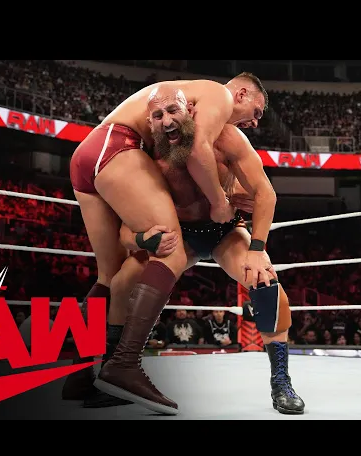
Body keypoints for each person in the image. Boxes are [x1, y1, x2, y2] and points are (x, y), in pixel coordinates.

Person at [91, 89, 304, 415]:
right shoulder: (145, 158)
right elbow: (124, 233)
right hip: (180, 237)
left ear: (189, 109)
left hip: (225, 232)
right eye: (158, 116)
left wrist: (258, 248)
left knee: (266, 282)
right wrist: (145, 239)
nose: (167, 122)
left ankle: (281, 381)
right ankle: (113, 373)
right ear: (150, 122)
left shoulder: (227, 138)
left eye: (173, 111)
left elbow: (266, 193)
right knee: (121, 283)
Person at [63, 74, 267, 403]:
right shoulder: (220, 95)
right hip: (118, 147)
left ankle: (81, 376)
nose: (255, 123)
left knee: (109, 276)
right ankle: (124, 366)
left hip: (89, 153)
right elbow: (197, 150)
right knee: (170, 250)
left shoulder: (189, 110)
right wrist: (220, 202)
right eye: (256, 112)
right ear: (241, 94)